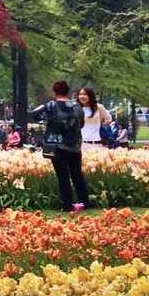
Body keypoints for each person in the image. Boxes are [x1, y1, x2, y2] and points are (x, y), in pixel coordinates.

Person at [31, 80, 89, 211]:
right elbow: (82, 123)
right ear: (68, 91)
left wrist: (47, 120)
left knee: (62, 175)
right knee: (77, 174)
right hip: (75, 145)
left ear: (54, 91)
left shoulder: (50, 105)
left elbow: (34, 114)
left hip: (56, 145)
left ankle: (67, 204)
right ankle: (84, 201)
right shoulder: (77, 106)